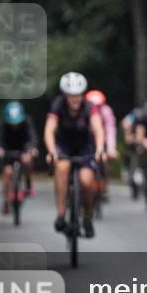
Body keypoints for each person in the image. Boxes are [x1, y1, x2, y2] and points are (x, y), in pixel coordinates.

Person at [44, 72, 106, 238]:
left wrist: (100, 148)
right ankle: (61, 214)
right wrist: (51, 150)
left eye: (78, 95)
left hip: (85, 147)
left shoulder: (89, 106)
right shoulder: (58, 105)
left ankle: (87, 217)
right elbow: (49, 129)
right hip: (64, 145)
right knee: (62, 167)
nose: (75, 99)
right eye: (71, 96)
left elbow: (98, 128)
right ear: (65, 95)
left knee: (87, 181)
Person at [0, 101, 38, 215]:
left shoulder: (27, 122)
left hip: (23, 149)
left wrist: (31, 149)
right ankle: (6, 201)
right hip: (8, 152)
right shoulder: (3, 125)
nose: (15, 125)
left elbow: (32, 137)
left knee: (27, 160)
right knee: (8, 173)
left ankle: (28, 184)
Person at [86, 90, 119, 199]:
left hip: (102, 141)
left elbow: (110, 129)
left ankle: (102, 184)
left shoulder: (106, 111)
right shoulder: (83, 110)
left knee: (103, 160)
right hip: (86, 141)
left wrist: (111, 148)